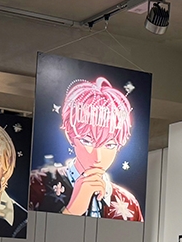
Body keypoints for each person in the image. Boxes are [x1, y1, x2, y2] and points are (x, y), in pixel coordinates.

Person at [30, 77, 143, 221]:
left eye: (110, 145)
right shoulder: (37, 184)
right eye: (87, 141)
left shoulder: (128, 203)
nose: (98, 157)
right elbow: (25, 232)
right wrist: (72, 210)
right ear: (70, 136)